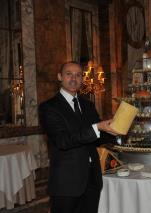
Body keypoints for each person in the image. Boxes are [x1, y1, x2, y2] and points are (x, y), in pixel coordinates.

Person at [39, 61, 119, 213]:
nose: (74, 78)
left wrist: (114, 132)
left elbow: (96, 137)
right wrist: (98, 127)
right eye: (69, 74)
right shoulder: (49, 107)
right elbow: (63, 141)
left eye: (78, 75)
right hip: (66, 183)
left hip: (92, 179)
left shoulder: (87, 105)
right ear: (59, 77)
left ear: (83, 79)